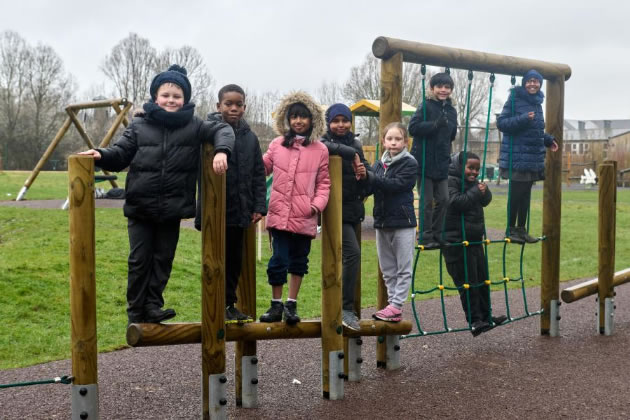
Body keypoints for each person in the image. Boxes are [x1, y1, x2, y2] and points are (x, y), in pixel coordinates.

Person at [79, 65, 235, 325]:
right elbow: (120, 154)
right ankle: (135, 311)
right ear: (155, 97)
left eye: (176, 96)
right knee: (139, 260)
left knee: (163, 259)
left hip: (172, 207)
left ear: (184, 99)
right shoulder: (139, 125)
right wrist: (101, 154)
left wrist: (221, 151)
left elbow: (223, 130)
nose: (171, 101)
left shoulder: (194, 125)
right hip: (141, 206)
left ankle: (153, 305)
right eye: (165, 95)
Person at [194, 84, 266, 323]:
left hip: (240, 209)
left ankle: (228, 304)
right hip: (215, 211)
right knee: (214, 259)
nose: (234, 108)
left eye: (239, 104)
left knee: (235, 260)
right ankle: (213, 303)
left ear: (245, 106)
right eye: (228, 104)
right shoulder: (207, 133)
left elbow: (258, 173)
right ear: (218, 106)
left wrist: (258, 206)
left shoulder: (250, 138)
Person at [259, 91, 330, 325]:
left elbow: (324, 182)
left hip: (304, 215)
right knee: (278, 260)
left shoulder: (320, 149)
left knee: (299, 261)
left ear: (312, 120)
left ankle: (291, 303)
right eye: (294, 117)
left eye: (303, 117)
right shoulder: (277, 145)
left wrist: (316, 205)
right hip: (280, 214)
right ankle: (275, 304)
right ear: (287, 120)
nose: (298, 121)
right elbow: (264, 167)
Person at [443, 151, 507, 336]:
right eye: (470, 168)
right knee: (467, 283)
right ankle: (475, 321)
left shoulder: (473, 184)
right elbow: (455, 202)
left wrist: (484, 191)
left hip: (474, 240)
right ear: (459, 166)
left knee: (481, 280)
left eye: (477, 169)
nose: (474, 172)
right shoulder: (450, 181)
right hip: (456, 242)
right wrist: (474, 192)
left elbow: (485, 201)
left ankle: (487, 317)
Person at [321, 103, 369, 331]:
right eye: (335, 121)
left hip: (351, 210)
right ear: (328, 123)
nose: (340, 125)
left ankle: (346, 306)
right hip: (333, 210)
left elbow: (368, 179)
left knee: (350, 256)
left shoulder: (357, 143)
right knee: (352, 253)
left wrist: (364, 173)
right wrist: (353, 156)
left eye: (345, 120)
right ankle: (345, 307)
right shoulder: (322, 143)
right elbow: (327, 148)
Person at [496, 69, 559, 244]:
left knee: (525, 196)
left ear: (540, 84)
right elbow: (502, 123)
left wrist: (548, 140)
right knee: (516, 194)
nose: (532, 84)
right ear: (524, 84)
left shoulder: (537, 104)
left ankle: (521, 230)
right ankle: (510, 229)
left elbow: (535, 131)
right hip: (517, 157)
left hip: (531, 158)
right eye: (529, 81)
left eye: (536, 81)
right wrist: (523, 119)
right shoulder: (515, 100)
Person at [368, 122, 418, 322]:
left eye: (398, 139)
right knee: (387, 267)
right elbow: (371, 186)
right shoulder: (379, 165)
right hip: (382, 220)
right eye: (390, 138)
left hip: (402, 222)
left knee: (403, 266)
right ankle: (392, 305)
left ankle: (397, 305)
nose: (393, 142)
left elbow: (396, 185)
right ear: (383, 141)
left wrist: (372, 179)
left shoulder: (409, 163)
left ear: (405, 142)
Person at [408, 72, 458, 249]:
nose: (443, 90)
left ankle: (438, 234)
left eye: (447, 87)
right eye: (439, 86)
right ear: (432, 88)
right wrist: (435, 125)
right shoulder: (426, 106)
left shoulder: (452, 111)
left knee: (444, 199)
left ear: (451, 90)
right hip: (424, 160)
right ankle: (425, 235)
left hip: (442, 161)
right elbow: (412, 128)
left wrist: (449, 130)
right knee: (427, 200)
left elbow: (451, 134)